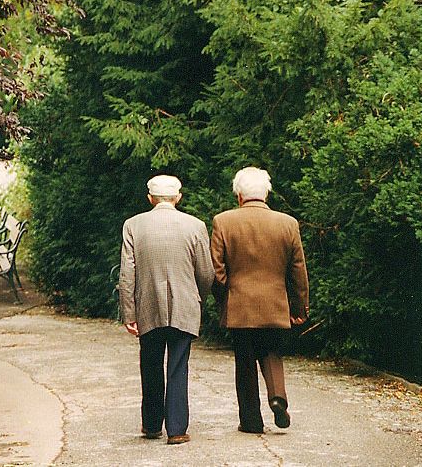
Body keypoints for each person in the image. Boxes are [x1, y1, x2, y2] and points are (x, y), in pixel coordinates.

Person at [210, 167, 309, 434]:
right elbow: (298, 270)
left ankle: (251, 421)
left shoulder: (223, 221)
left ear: (239, 195)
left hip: (239, 305)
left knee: (244, 361)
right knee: (271, 351)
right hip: (275, 303)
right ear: (266, 193)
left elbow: (217, 271)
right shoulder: (288, 223)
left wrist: (224, 300)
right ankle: (278, 397)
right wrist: (299, 307)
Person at [119, 175, 215, 445]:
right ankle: (176, 429)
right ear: (178, 198)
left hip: (147, 305)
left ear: (150, 199)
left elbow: (128, 274)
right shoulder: (195, 225)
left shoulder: (133, 225)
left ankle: (151, 425)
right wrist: (199, 299)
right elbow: (206, 273)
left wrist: (129, 313)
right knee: (178, 365)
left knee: (149, 363)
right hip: (185, 305)